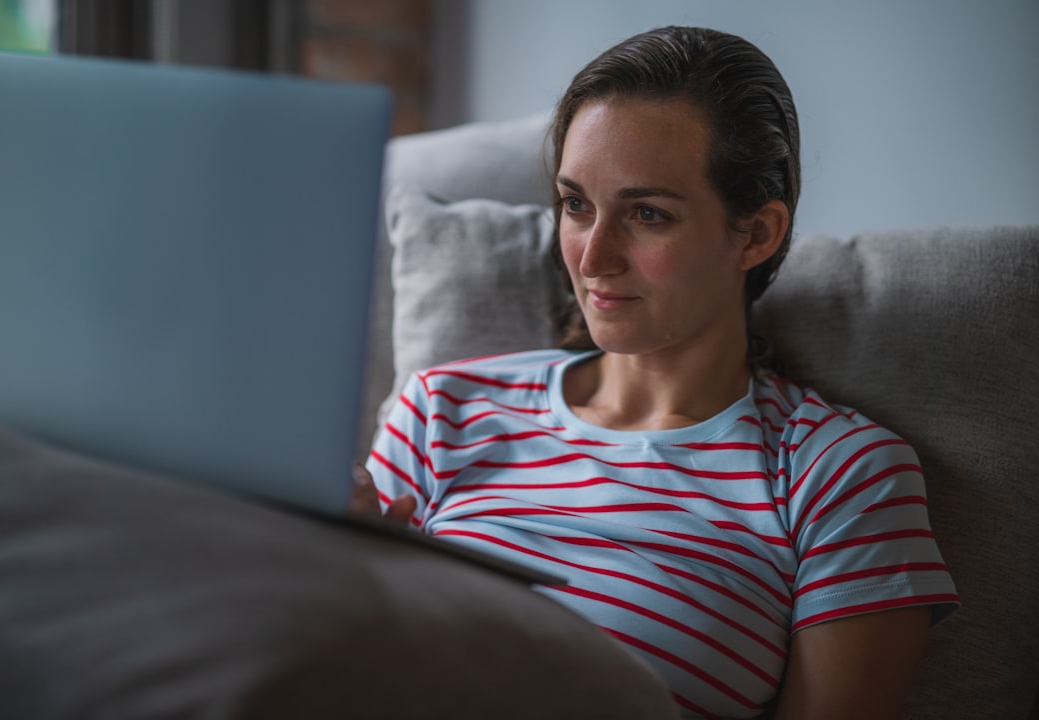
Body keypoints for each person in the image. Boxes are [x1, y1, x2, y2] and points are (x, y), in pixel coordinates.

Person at [354, 26, 959, 719]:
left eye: (646, 214)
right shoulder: (442, 407)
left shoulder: (840, 475)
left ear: (757, 234)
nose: (591, 257)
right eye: (577, 204)